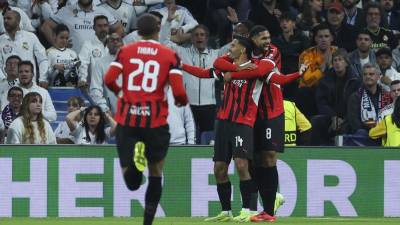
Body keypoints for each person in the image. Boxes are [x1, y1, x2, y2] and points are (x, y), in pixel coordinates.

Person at [103, 13, 188, 225]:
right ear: (158, 30)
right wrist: (180, 101)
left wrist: (121, 92)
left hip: (128, 120)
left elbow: (109, 79)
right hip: (155, 122)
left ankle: (135, 165)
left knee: (132, 182)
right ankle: (147, 223)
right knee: (156, 173)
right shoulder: (170, 55)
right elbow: (178, 91)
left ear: (138, 32)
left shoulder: (125, 51)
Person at [0, 10, 49, 83]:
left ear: (18, 21)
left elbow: (42, 59)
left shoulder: (31, 37)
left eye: (9, 18)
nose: (5, 21)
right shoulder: (1, 39)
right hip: (7, 86)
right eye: (4, 19)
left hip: (29, 85)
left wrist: (43, 79)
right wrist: (3, 80)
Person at [347, 63, 392, 136]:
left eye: (371, 74)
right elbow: (354, 124)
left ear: (378, 76)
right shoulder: (355, 97)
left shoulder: (387, 96)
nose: (367, 76)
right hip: (364, 137)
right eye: (365, 74)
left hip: (384, 135)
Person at [90, 32, 123, 114]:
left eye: (118, 40)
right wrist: (104, 108)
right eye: (112, 40)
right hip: (109, 112)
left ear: (122, 44)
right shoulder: (100, 63)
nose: (115, 42)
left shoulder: (131, 62)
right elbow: (95, 89)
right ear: (107, 44)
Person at [44, 24, 79, 88]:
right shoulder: (49, 52)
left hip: (71, 88)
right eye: (62, 37)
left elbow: (77, 71)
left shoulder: (73, 53)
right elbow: (44, 74)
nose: (64, 40)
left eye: (66, 38)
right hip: (54, 88)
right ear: (54, 36)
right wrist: (54, 67)